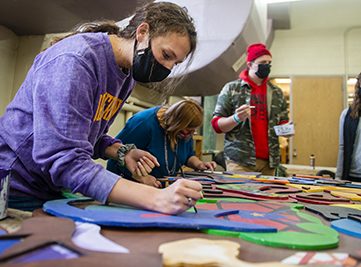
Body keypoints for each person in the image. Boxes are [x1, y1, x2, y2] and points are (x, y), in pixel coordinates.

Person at [0, 2, 203, 214]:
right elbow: (65, 159)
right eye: (167, 55)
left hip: (49, 189)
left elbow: (87, 135)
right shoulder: (76, 61)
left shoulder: (126, 74)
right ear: (142, 32)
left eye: (175, 63)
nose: (168, 68)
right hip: (14, 189)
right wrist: (156, 198)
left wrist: (121, 152)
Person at [211, 43, 294, 176]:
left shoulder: (276, 93)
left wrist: (287, 129)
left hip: (269, 162)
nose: (266, 66)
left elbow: (282, 122)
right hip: (240, 161)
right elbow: (217, 126)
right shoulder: (232, 89)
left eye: (269, 62)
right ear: (249, 64)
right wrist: (236, 118)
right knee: (239, 196)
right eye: (262, 62)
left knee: (266, 196)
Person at [107, 99, 217, 187]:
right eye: (189, 130)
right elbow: (118, 155)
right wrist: (142, 177)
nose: (191, 134)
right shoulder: (144, 123)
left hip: (157, 188)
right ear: (177, 124)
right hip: (127, 185)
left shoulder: (181, 132)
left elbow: (187, 154)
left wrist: (199, 164)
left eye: (194, 130)